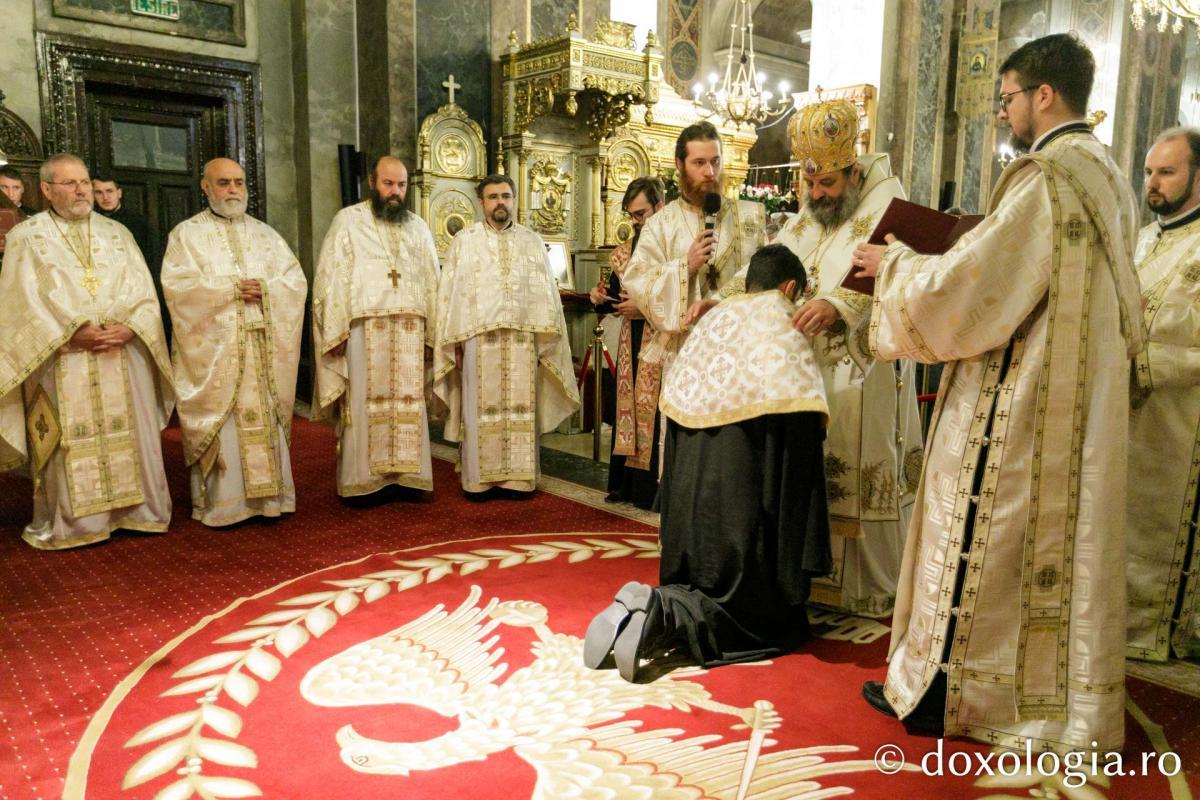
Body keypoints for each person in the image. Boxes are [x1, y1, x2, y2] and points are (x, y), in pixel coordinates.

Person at [853, 34, 1144, 752]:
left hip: (1025, 404)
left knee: (981, 530)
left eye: (1008, 97)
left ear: (1044, 95)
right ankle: (1045, 697)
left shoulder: (1048, 175)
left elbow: (971, 291)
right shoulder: (1106, 175)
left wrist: (895, 266)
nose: (1005, 112)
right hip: (1080, 405)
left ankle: (952, 694)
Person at [583, 244, 831, 681]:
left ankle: (654, 599)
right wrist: (796, 572)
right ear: (791, 287)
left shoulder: (713, 322)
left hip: (690, 521)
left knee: (699, 579)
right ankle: (662, 614)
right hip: (741, 520)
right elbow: (797, 461)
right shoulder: (783, 327)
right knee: (759, 616)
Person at [772, 98, 923, 618]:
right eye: (810, 185)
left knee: (860, 467)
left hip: (864, 370)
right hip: (809, 371)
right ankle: (813, 577)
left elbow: (905, 274)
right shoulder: (812, 211)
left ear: (852, 172)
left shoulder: (889, 204)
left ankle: (866, 588)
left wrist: (838, 305)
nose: (817, 195)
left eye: (828, 185)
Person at [0, 153, 173, 549]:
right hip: (62, 356)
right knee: (68, 440)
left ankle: (137, 512)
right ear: (46, 189)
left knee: (131, 433)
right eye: (70, 183)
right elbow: (19, 302)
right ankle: (78, 523)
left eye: (84, 182)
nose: (81, 190)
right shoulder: (27, 237)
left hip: (122, 352)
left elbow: (145, 292)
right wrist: (71, 332)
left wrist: (131, 327)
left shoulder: (118, 234)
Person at [161, 157, 307, 527]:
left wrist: (268, 290)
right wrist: (229, 291)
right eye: (224, 182)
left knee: (265, 421)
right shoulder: (186, 235)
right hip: (216, 351)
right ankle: (226, 506)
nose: (233, 190)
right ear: (205, 186)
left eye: (239, 183)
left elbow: (296, 281)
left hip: (262, 348)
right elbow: (177, 290)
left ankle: (271, 500)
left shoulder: (266, 235)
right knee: (225, 425)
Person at [432, 174, 579, 498]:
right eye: (493, 196)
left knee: (519, 409)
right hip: (477, 343)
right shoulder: (464, 241)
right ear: (482, 202)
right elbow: (449, 297)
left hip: (522, 344)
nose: (500, 202)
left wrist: (546, 342)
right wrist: (452, 342)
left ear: (514, 200)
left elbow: (547, 295)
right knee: (479, 408)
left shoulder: (531, 242)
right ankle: (478, 480)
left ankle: (518, 480)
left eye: (506, 196)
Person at [312, 156, 440, 497]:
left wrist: (432, 336)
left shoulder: (418, 227)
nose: (395, 192)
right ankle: (363, 481)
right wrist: (333, 331)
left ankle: (408, 478)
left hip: (411, 333)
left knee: (408, 404)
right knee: (365, 404)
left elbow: (432, 282)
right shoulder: (348, 222)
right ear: (373, 182)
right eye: (388, 184)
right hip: (363, 332)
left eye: (401, 185)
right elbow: (331, 278)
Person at [621, 122, 765, 422]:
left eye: (715, 162)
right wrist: (684, 267)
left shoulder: (749, 216)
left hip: (739, 351)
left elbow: (765, 279)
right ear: (679, 164)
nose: (710, 172)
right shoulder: (660, 224)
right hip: (684, 352)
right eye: (699, 163)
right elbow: (638, 281)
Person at [1126, 127, 1200, 662]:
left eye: (1167, 172)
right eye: (1150, 171)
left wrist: (1136, 358)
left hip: (1181, 420)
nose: (1152, 183)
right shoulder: (1147, 237)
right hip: (1128, 412)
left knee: (1160, 524)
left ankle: (1160, 629)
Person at [589, 176, 665, 508]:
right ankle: (626, 486)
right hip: (628, 341)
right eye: (632, 215)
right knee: (628, 411)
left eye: (641, 214)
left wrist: (644, 308)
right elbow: (615, 295)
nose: (636, 222)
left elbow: (681, 296)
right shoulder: (624, 252)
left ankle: (651, 491)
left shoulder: (671, 249)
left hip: (660, 340)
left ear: (659, 207)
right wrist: (599, 298)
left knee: (654, 414)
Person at [93, 174, 165, 342]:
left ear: (119, 193)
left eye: (109, 191)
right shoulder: (90, 223)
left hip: (131, 290)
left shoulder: (138, 223)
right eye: (99, 192)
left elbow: (150, 262)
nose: (105, 197)